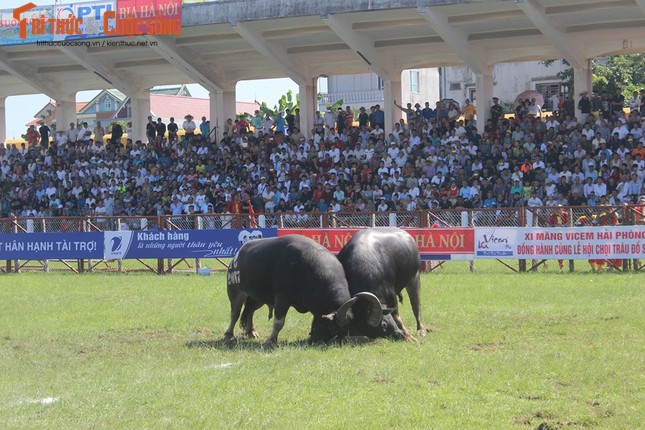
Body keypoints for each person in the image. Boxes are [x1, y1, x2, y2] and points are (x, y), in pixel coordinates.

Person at [548, 205, 568, 272]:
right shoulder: (552, 215)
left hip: (564, 234)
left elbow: (568, 223)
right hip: (555, 235)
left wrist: (562, 226)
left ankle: (565, 267)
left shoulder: (565, 214)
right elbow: (549, 224)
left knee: (564, 249)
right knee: (558, 250)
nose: (558, 210)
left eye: (560, 209)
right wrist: (554, 226)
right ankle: (560, 267)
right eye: (557, 209)